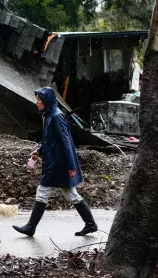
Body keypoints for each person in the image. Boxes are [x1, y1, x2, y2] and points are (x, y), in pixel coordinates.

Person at [12, 87, 97, 237]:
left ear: (47, 101)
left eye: (39, 100)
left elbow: (66, 143)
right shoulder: (49, 115)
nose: (37, 102)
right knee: (72, 195)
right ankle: (90, 224)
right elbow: (51, 141)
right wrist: (39, 151)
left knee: (43, 192)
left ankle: (31, 227)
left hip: (59, 165)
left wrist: (71, 166)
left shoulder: (56, 117)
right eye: (37, 99)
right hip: (57, 163)